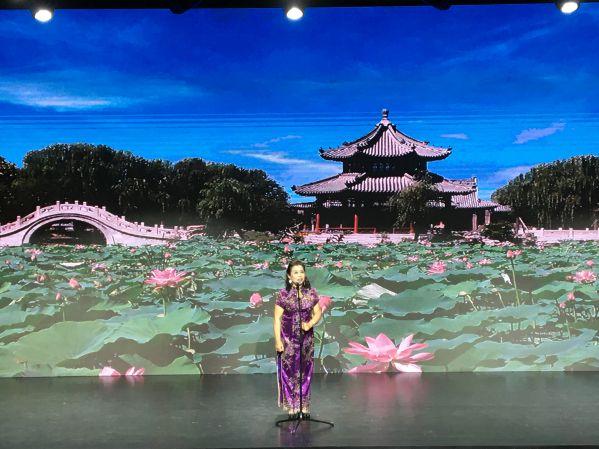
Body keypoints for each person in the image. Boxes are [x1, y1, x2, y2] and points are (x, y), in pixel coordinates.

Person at [273, 259, 323, 419]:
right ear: (289, 276)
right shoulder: (283, 294)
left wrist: (309, 324)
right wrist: (278, 341)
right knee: (289, 372)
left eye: (301, 272)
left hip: (306, 339)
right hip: (288, 339)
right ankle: (292, 405)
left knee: (305, 371)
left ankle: (304, 405)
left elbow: (318, 312)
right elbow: (277, 319)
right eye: (295, 272)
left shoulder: (311, 293)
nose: (299, 275)